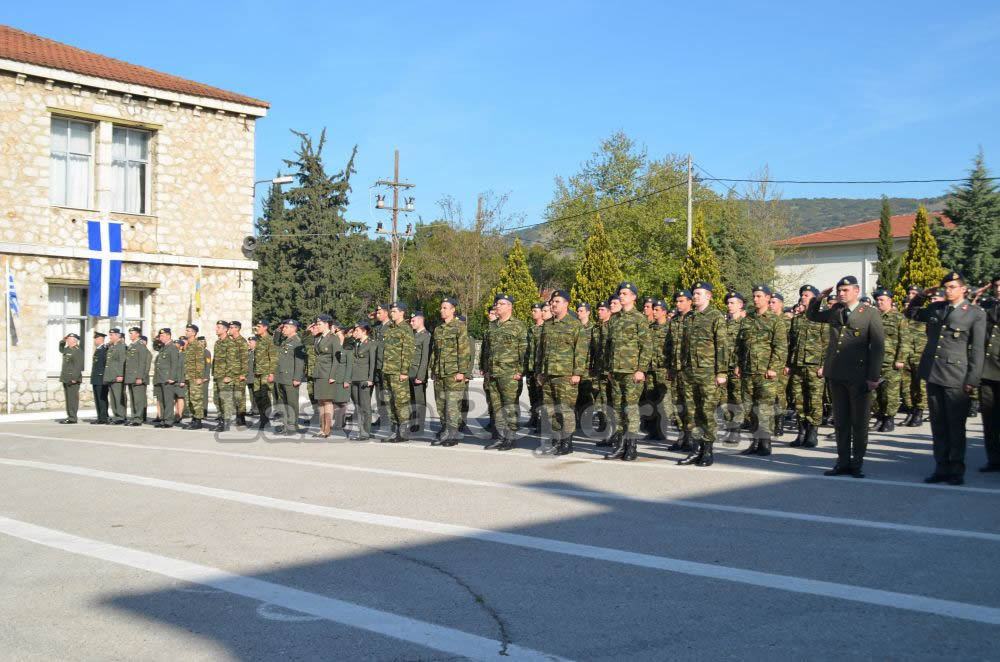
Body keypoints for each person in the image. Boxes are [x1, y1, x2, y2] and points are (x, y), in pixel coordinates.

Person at [905, 271, 986, 485]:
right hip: (933, 372)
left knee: (955, 426)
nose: (948, 291)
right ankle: (941, 467)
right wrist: (922, 295)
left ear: (963, 289)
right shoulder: (936, 308)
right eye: (946, 287)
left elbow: (977, 350)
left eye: (952, 287)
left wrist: (973, 379)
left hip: (957, 376)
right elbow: (911, 313)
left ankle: (956, 470)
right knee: (938, 425)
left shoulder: (975, 313)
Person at [807, 276, 884, 478]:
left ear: (856, 291)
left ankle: (856, 464)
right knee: (841, 422)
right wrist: (818, 298)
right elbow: (812, 316)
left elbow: (877, 347)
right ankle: (842, 462)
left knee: (859, 422)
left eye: (846, 290)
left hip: (860, 376)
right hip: (836, 373)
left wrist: (873, 377)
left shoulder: (870, 314)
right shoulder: (835, 311)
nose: (841, 293)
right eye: (839, 290)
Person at [677, 282, 728, 467]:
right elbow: (683, 345)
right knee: (691, 413)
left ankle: (707, 450)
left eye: (699, 293)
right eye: (694, 294)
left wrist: (721, 372)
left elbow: (722, 346)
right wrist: (682, 368)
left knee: (707, 412)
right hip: (690, 372)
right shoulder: (689, 317)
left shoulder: (715, 317)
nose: (695, 296)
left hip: (708, 372)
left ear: (709, 296)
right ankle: (695, 449)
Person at [736, 285, 787, 457]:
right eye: (754, 296)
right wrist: (738, 364)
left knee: (764, 408)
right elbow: (740, 345)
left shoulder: (775, 320)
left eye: (759, 296)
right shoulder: (747, 319)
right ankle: (755, 442)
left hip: (766, 372)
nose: (755, 299)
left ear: (767, 298)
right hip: (748, 371)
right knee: (750, 409)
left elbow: (780, 346)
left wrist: (773, 368)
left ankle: (765, 443)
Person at [604, 282, 651, 461]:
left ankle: (631, 446)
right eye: (620, 293)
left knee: (630, 409)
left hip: (632, 372)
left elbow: (646, 347)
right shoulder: (614, 319)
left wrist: (641, 369)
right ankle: (620, 444)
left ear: (633, 297)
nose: (621, 296)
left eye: (625, 293)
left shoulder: (639, 319)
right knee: (616, 409)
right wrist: (609, 368)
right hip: (616, 371)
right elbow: (610, 346)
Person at [537, 290, 587, 455]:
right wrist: (540, 371)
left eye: (557, 301)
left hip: (566, 375)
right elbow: (541, 351)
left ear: (566, 304)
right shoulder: (547, 325)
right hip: (548, 374)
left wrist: (577, 373)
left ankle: (567, 443)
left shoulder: (575, 325)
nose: (553, 304)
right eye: (552, 301)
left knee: (565, 410)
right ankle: (556, 440)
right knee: (550, 410)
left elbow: (580, 351)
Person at [483, 294, 529, 450]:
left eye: (502, 304)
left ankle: (511, 438)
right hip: (493, 373)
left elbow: (524, 351)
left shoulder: (518, 326)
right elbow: (487, 350)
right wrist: (486, 369)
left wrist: (521, 371)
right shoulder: (492, 326)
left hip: (510, 373)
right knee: (496, 407)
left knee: (509, 406)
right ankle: (501, 436)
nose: (498, 306)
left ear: (510, 306)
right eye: (497, 303)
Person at [430, 298, 470, 446]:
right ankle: (445, 430)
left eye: (445, 308)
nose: (442, 310)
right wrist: (433, 369)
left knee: (452, 405)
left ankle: (452, 434)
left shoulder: (459, 327)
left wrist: (462, 371)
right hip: (440, 372)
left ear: (453, 310)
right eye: (441, 308)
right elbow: (435, 352)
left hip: (454, 372)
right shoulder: (438, 329)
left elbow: (464, 350)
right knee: (441, 404)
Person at [873, 288, 910, 432]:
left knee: (890, 393)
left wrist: (900, 359)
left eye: (882, 300)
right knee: (874, 393)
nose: (879, 302)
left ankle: (889, 419)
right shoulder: (874, 316)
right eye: (877, 300)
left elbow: (905, 340)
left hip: (891, 362)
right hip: (874, 361)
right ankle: (879, 417)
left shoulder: (899, 318)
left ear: (890, 300)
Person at [311, 315, 353, 438]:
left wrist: (333, 375)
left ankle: (327, 429)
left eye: (319, 324)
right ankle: (322, 428)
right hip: (319, 372)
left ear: (326, 324)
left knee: (327, 401)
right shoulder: (318, 337)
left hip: (327, 372)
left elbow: (336, 358)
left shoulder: (333, 338)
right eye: (316, 324)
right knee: (320, 401)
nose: (317, 326)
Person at [380, 302, 415, 442]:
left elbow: (407, 352)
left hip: (398, 371)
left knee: (401, 401)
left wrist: (404, 371)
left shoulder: (406, 329)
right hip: (387, 370)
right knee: (389, 401)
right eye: (391, 311)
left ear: (402, 313)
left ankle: (403, 432)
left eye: (394, 311)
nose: (391, 313)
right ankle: (394, 430)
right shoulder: (389, 329)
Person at [976, 274, 1000, 472]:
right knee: (990, 420)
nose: (999, 289)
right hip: (987, 371)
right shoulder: (988, 306)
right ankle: (993, 459)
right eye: (997, 286)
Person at [666, 290, 693, 451]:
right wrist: (668, 367)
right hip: (676, 369)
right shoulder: (674, 320)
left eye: (681, 301)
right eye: (676, 301)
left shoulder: (694, 319)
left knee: (690, 405)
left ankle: (690, 438)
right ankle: (682, 436)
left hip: (689, 369)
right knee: (678, 404)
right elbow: (669, 345)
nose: (678, 304)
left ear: (689, 301)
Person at [721, 291, 747, 444]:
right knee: (723, 400)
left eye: (733, 303)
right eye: (728, 303)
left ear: (740, 304)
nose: (729, 305)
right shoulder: (723, 324)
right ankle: (729, 426)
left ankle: (736, 430)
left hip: (737, 367)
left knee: (737, 399)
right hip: (723, 367)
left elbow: (746, 347)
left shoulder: (745, 324)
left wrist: (740, 364)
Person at [901, 285, 928, 426]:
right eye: (909, 292)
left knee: (920, 385)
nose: (911, 295)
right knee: (906, 386)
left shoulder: (925, 314)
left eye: (914, 293)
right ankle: (910, 411)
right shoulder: (903, 314)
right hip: (905, 354)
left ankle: (919, 411)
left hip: (920, 354)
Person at [275, 319, 306, 435]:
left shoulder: (297, 342)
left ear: (294, 328)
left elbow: (299, 361)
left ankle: (292, 426)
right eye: (283, 327)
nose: (284, 329)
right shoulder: (285, 340)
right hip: (281, 376)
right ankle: (286, 424)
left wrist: (297, 377)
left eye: (286, 327)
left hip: (290, 377)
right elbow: (275, 341)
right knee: (283, 402)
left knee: (291, 403)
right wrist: (278, 329)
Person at [350, 322, 377, 440]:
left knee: (365, 406)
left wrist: (370, 379)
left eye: (357, 331)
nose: (354, 333)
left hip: (364, 378)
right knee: (358, 406)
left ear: (364, 331)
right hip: (354, 378)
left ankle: (366, 432)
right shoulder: (356, 343)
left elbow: (372, 363)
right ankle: (361, 431)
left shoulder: (371, 344)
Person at [153, 328, 181, 428]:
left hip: (168, 378)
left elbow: (175, 364)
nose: (160, 338)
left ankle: (168, 420)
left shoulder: (172, 348)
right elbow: (155, 346)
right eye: (160, 336)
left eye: (162, 336)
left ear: (168, 336)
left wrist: (172, 377)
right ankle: (163, 419)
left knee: (168, 401)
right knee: (161, 400)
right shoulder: (163, 347)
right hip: (160, 377)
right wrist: (156, 340)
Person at [409, 311, 432, 434]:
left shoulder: (426, 336)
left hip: (418, 373)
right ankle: (412, 423)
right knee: (411, 400)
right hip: (409, 372)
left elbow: (425, 358)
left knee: (419, 401)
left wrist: (421, 376)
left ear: (420, 320)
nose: (411, 323)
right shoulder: (413, 335)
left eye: (413, 321)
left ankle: (420, 425)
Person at [251, 320, 277, 429]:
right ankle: (262, 417)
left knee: (265, 396)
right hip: (257, 372)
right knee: (257, 395)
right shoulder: (259, 340)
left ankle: (265, 420)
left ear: (265, 327)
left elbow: (274, 358)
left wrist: (272, 373)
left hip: (266, 372)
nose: (257, 328)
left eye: (259, 326)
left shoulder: (270, 340)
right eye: (257, 326)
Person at [124, 327, 151, 426]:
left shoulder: (140, 346)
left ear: (137, 334)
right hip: (131, 376)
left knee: (138, 400)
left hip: (137, 377)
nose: (130, 335)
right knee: (133, 399)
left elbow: (142, 363)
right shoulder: (132, 345)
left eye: (132, 333)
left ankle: (138, 419)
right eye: (129, 333)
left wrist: (140, 377)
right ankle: (134, 417)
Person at [525, 302, 545, 431]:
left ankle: (542, 421)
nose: (533, 313)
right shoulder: (531, 329)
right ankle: (534, 416)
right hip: (530, 366)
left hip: (539, 367)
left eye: (535, 311)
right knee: (532, 393)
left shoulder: (546, 328)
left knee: (541, 395)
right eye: (532, 311)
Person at [182, 324, 206, 429]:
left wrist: (199, 377)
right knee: (189, 399)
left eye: (188, 331)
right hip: (187, 376)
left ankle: (198, 420)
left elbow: (200, 362)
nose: (186, 332)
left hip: (195, 377)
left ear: (194, 333)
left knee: (196, 399)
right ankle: (193, 418)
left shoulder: (197, 345)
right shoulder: (187, 345)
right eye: (186, 330)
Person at [103, 328, 127, 424]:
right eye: (110, 335)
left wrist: (120, 374)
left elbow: (122, 361)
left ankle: (121, 416)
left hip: (117, 376)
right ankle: (116, 415)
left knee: (118, 397)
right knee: (113, 398)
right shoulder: (112, 346)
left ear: (117, 335)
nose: (110, 337)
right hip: (111, 375)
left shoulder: (121, 346)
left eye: (112, 335)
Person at [58, 332, 84, 424]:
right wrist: (63, 341)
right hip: (66, 378)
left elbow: (78, 366)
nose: (68, 341)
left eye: (69, 339)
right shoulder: (67, 349)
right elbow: (61, 349)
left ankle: (73, 417)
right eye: (67, 339)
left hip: (73, 379)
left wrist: (74, 377)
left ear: (74, 340)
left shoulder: (78, 351)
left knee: (72, 399)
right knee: (68, 399)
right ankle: (70, 416)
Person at [228, 321, 250, 427]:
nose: (229, 329)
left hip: (239, 374)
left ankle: (241, 417)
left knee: (239, 397)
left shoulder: (242, 342)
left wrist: (243, 374)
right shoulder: (231, 341)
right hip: (231, 373)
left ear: (237, 329)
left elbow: (245, 359)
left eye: (231, 327)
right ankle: (237, 416)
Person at [90, 330, 109, 424]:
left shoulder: (104, 350)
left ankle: (103, 417)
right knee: (97, 399)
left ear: (100, 339)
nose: (94, 340)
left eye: (96, 338)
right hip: (96, 378)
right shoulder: (98, 349)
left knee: (102, 399)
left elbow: (106, 365)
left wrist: (105, 377)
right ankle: (100, 416)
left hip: (101, 378)